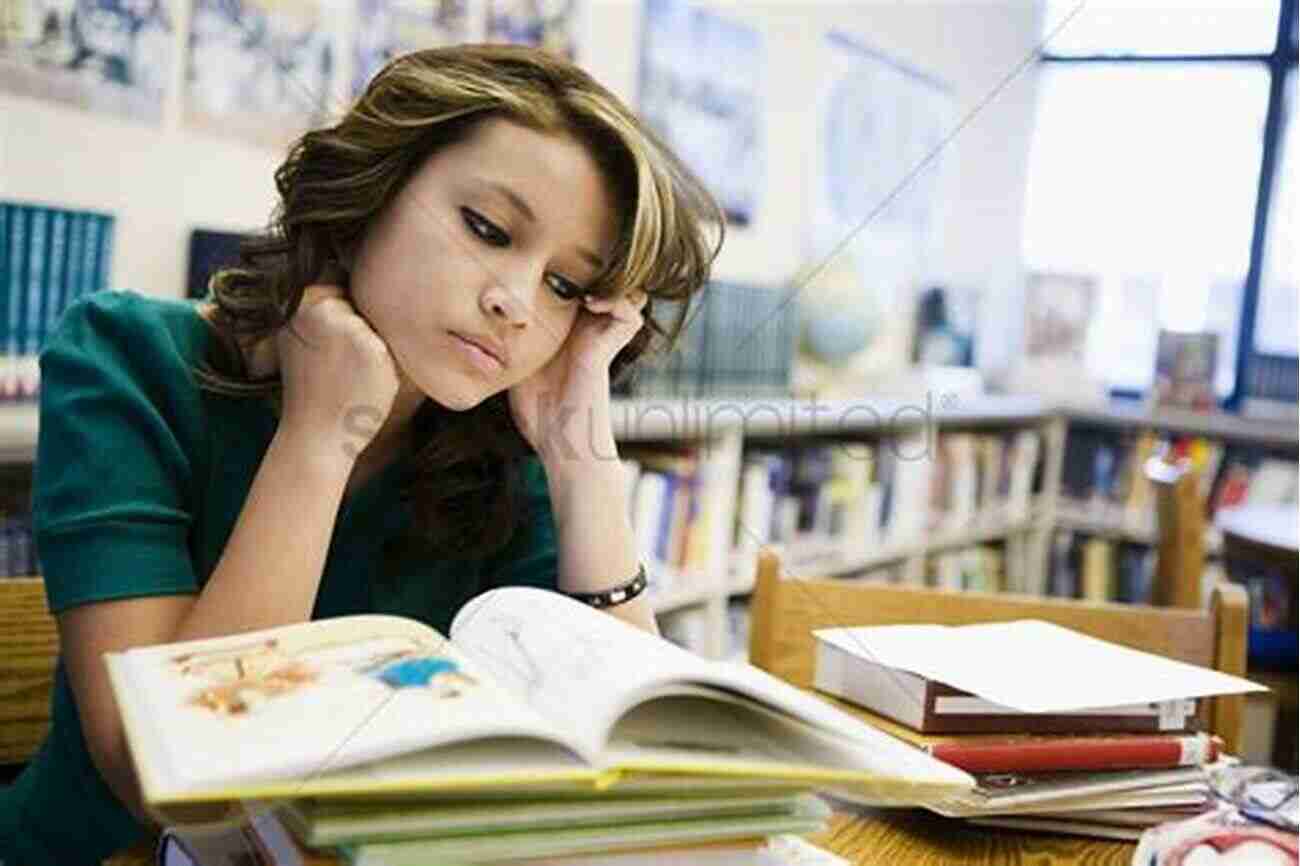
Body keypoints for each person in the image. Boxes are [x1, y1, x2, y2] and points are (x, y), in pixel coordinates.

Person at [0, 44, 721, 864]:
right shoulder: (124, 357)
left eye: (564, 286)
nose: (514, 302)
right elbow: (165, 775)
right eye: (488, 229)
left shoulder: (497, 441)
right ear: (371, 192)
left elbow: (642, 769)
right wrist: (319, 436)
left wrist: (580, 454)